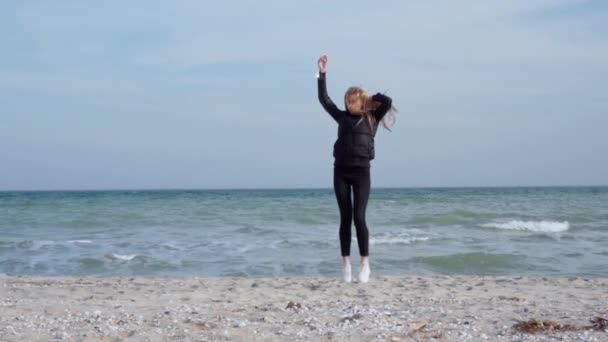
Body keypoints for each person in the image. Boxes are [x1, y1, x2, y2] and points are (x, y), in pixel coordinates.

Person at [317, 54, 397, 283]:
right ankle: (346, 266)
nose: (347, 104)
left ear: (359, 101)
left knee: (359, 218)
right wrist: (322, 74)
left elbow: (388, 101)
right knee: (345, 218)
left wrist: (368, 97)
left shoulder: (372, 117)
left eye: (351, 100)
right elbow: (324, 99)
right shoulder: (340, 117)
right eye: (346, 100)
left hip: (362, 172)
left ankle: (364, 264)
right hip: (340, 172)